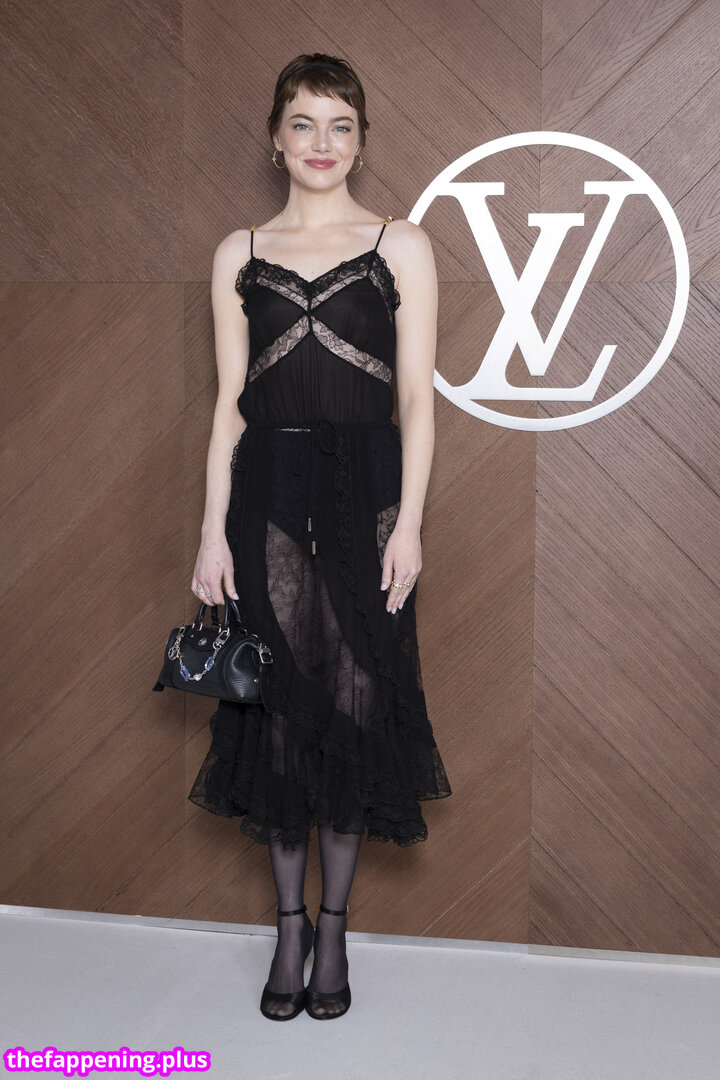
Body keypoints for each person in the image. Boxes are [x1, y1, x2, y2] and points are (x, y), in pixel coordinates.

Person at [187, 52, 452, 1021]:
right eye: (303, 123)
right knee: (282, 712)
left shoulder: (400, 243)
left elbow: (417, 400)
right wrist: (210, 532)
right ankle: (288, 928)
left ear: (361, 141)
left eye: (340, 125)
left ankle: (333, 927)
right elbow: (230, 404)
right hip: (266, 491)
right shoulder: (239, 250)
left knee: (354, 700)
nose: (321, 143)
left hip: (369, 489)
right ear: (276, 138)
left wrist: (409, 524)